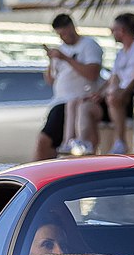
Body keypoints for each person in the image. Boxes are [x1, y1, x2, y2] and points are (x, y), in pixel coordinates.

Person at [72, 13, 134, 155]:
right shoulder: (121, 53)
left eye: (114, 29)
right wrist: (98, 94)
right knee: (86, 106)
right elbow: (113, 78)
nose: (111, 32)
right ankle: (86, 145)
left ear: (122, 30)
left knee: (114, 97)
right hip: (119, 98)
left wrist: (120, 94)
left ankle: (120, 141)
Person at [36, 13, 103, 160]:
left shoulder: (89, 45)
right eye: (60, 35)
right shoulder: (60, 50)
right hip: (60, 100)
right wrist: (51, 60)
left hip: (78, 99)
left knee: (46, 140)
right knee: (45, 142)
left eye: (65, 33)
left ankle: (71, 142)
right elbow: (50, 80)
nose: (63, 38)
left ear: (72, 27)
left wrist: (65, 58)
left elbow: (92, 74)